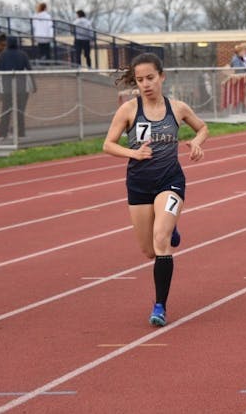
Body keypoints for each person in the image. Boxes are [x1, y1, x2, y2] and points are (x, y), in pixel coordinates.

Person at [103, 53, 208, 327]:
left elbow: (203, 127)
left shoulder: (178, 108)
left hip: (170, 181)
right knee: (149, 251)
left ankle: (160, 305)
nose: (146, 84)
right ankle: (170, 228)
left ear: (162, 76)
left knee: (160, 239)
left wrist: (197, 142)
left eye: (150, 78)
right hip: (139, 184)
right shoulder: (128, 110)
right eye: (140, 80)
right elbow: (108, 144)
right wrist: (133, 153)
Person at [0, 37, 34, 139]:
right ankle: (20, 133)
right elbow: (29, 70)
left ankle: (2, 133)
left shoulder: (3, 55)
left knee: (5, 111)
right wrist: (34, 85)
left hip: (7, 87)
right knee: (20, 111)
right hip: (21, 87)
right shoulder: (23, 54)